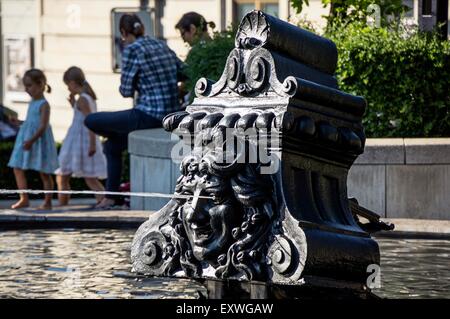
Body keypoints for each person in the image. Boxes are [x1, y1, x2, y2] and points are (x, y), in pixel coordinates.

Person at [85, 13, 184, 209]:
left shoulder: (131, 50)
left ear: (123, 32)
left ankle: (111, 196)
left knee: (91, 120)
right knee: (112, 146)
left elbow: (125, 90)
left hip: (148, 115)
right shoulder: (161, 44)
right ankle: (111, 197)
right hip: (171, 114)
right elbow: (183, 71)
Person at [55, 66, 107, 206]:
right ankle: (102, 200)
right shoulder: (86, 98)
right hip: (79, 140)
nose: (67, 89)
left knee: (66, 175)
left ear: (72, 82)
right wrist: (73, 104)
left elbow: (89, 121)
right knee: (87, 176)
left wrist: (91, 144)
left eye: (67, 85)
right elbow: (81, 116)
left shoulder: (83, 99)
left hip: (80, 142)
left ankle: (63, 205)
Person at [7, 69, 58, 210]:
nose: (27, 89)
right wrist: (18, 122)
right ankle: (24, 198)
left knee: (44, 172)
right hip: (27, 138)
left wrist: (32, 140)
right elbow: (31, 122)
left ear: (41, 84)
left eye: (29, 85)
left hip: (38, 140)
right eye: (25, 86)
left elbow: (42, 126)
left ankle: (48, 202)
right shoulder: (32, 102)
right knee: (17, 167)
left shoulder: (44, 104)